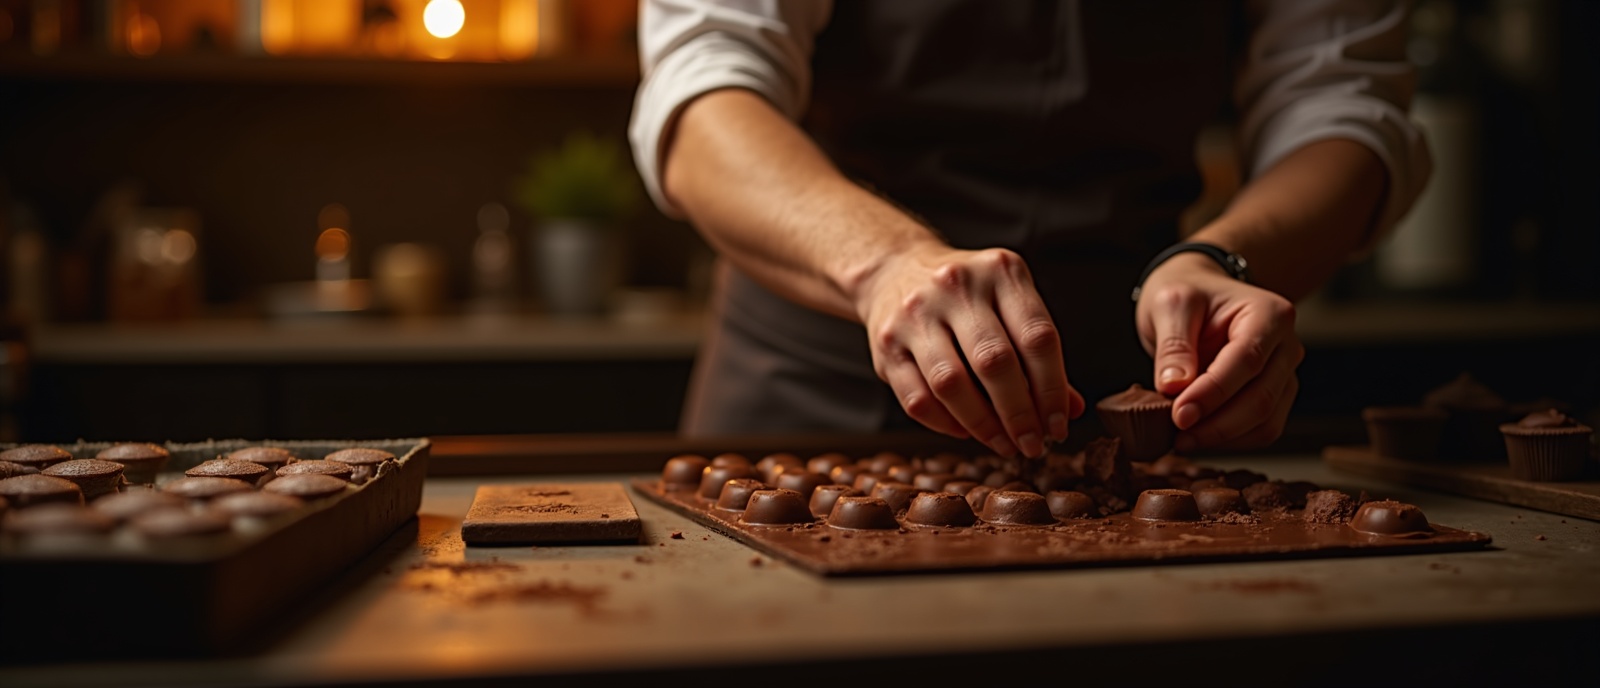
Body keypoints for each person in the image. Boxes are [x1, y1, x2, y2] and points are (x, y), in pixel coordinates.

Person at [630, 0, 1430, 459]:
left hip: (1144, 399)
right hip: (810, 391)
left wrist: (1219, 261)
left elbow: (1339, 99)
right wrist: (884, 264)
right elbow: (705, 89)